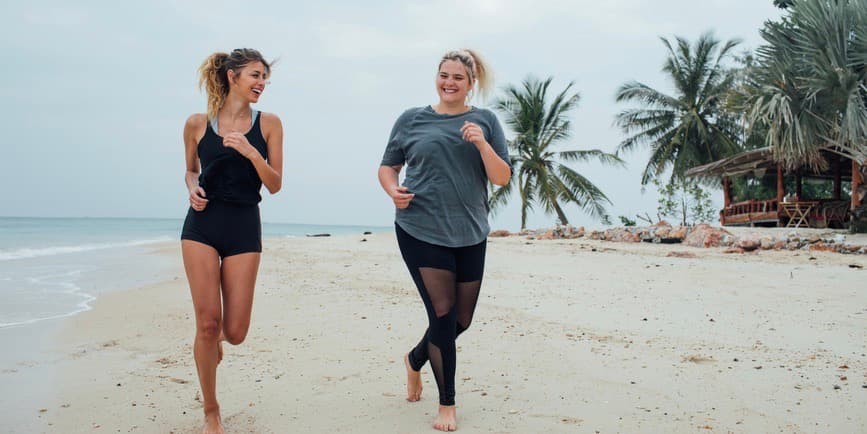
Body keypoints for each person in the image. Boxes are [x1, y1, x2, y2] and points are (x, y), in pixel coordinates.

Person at [377, 49, 511, 431]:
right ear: (436, 77)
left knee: (461, 320)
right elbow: (388, 166)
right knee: (442, 313)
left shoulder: (485, 120)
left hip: (469, 231)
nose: (449, 82)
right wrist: (393, 190)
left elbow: (502, 177)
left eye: (457, 77)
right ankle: (447, 404)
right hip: (420, 227)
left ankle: (414, 359)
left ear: (470, 84)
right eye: (443, 75)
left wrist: (483, 144)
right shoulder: (412, 119)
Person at [180, 48, 283, 434]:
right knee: (207, 325)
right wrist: (192, 189)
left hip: (243, 226)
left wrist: (251, 151)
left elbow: (274, 184)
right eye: (255, 75)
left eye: (264, 79)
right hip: (202, 226)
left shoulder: (269, 124)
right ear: (231, 76)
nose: (260, 84)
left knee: (234, 332)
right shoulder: (196, 123)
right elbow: (191, 171)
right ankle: (211, 410)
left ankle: (215, 342)